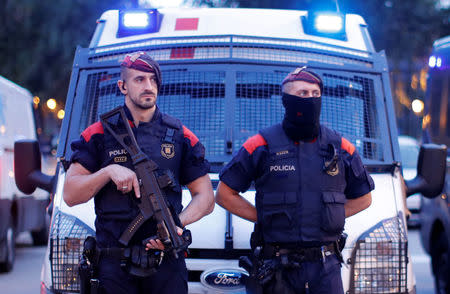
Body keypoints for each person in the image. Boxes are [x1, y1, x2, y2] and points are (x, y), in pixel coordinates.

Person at [63, 51, 214, 294]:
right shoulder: (98, 134)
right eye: (140, 80)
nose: (149, 86)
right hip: (114, 265)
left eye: (153, 80)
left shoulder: (180, 135)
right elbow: (70, 194)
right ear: (122, 86)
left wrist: (175, 224)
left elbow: (206, 198)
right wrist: (108, 172)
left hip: (166, 263)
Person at [215, 67, 374, 294]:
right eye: (302, 94)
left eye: (314, 94)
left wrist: (328, 214)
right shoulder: (260, 144)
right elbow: (224, 194)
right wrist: (265, 217)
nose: (309, 99)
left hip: (326, 268)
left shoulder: (340, 147)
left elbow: (364, 198)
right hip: (277, 268)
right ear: (286, 100)